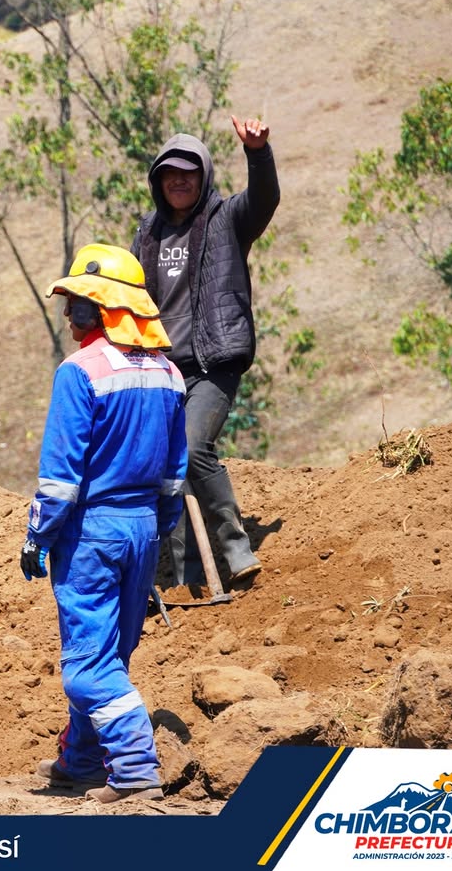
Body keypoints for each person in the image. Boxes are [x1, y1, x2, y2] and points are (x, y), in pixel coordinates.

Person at [22, 243, 187, 804]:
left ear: (102, 310)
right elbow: (174, 475)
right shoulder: (168, 374)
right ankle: (82, 760)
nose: (69, 316)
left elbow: (61, 480)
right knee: (108, 651)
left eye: (77, 305)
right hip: (142, 528)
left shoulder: (79, 372)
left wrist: (37, 537)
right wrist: (160, 528)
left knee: (87, 666)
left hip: (91, 531)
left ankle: (137, 766)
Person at [132, 117, 280, 590]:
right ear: (158, 180)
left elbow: (265, 201)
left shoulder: (226, 219)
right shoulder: (147, 234)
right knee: (166, 470)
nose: (179, 180)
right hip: (162, 369)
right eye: (169, 173)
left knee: (194, 448)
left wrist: (258, 153)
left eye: (189, 172)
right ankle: (188, 575)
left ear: (204, 176)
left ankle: (235, 547)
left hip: (214, 364)